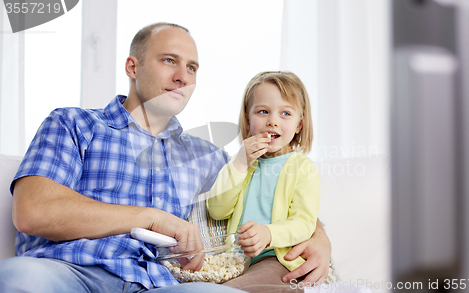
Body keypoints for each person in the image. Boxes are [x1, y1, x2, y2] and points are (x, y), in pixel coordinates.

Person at [0, 23, 331, 292]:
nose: (183, 77)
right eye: (169, 61)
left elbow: (268, 194)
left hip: (163, 284)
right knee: (19, 278)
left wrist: (320, 237)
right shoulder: (73, 124)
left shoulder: (209, 157)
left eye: (192, 68)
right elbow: (34, 211)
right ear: (133, 66)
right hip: (71, 271)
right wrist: (150, 217)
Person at [207, 71, 320, 292]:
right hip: (236, 260)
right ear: (248, 121)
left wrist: (269, 234)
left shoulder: (302, 168)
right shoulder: (241, 164)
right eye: (263, 111)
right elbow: (217, 210)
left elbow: (304, 222)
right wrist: (239, 163)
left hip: (276, 258)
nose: (273, 121)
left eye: (285, 113)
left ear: (299, 125)